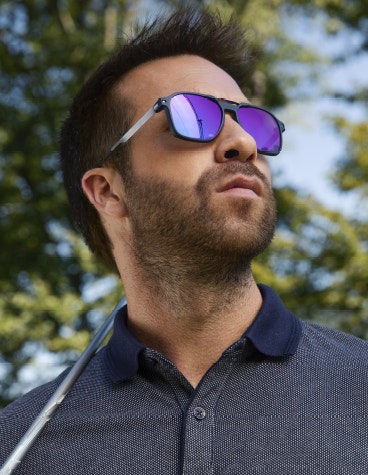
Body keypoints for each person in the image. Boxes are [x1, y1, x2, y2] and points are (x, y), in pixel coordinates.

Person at [1, 6, 368, 475]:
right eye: (193, 116)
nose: (243, 142)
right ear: (109, 191)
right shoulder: (18, 446)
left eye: (253, 122)